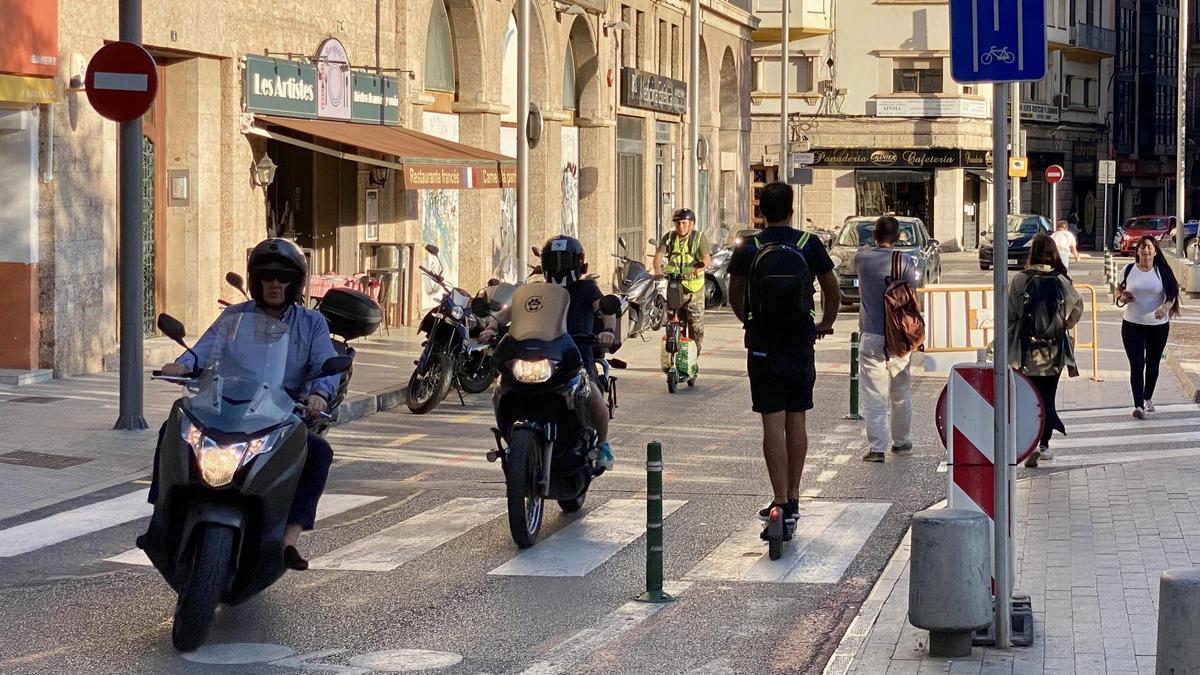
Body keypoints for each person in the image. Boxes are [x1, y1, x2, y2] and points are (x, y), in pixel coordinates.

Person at [148, 238, 340, 570]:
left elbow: (326, 363)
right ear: (256, 280)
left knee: (319, 452)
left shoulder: (312, 324)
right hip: (228, 410)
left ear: (295, 283)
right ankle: (161, 515)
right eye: (267, 276)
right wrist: (181, 364)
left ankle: (287, 541)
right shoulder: (234, 318)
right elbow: (205, 349)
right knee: (172, 428)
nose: (275, 284)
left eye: (283, 277)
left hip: (281, 415)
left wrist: (319, 394)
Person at [728, 182, 840, 531]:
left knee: (772, 423)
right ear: (792, 208)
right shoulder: (809, 244)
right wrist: (824, 323)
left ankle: (777, 498)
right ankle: (793, 497)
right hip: (800, 342)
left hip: (762, 344)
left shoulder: (749, 245)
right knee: (798, 419)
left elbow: (735, 295)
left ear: (760, 211)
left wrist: (751, 320)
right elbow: (832, 288)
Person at [484, 235, 618, 469]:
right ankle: (512, 439)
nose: (558, 267)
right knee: (501, 388)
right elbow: (512, 310)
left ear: (578, 263)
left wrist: (608, 329)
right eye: (553, 261)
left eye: (563, 261)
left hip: (576, 359)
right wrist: (492, 325)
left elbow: (605, 308)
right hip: (542, 355)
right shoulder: (538, 291)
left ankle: (603, 445)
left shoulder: (587, 289)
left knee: (593, 395)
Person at [1008, 233, 1083, 468]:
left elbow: (1011, 313)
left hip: (1027, 351)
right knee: (1048, 396)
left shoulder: (1020, 279)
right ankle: (1045, 445)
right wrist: (1063, 326)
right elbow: (1078, 307)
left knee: (1032, 399)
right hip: (1054, 351)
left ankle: (1031, 443)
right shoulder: (1061, 279)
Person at [854, 216, 919, 463]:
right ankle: (901, 442)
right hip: (899, 337)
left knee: (874, 394)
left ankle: (877, 448)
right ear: (899, 235)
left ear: (874, 234)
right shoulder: (905, 261)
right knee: (901, 391)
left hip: (871, 335)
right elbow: (912, 291)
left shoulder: (861, 258)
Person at [1116, 235, 1182, 419]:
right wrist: (1122, 297)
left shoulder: (1162, 271)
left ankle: (1147, 398)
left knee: (1153, 364)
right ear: (1137, 251)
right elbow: (1118, 290)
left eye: (1149, 248)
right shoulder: (1128, 270)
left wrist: (1165, 308)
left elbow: (1172, 294)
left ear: (1155, 251)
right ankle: (1138, 405)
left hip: (1158, 326)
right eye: (1142, 247)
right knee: (1137, 364)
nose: (1145, 251)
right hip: (1132, 324)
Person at [653, 208, 711, 351]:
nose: (680, 227)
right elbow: (659, 256)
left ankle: (693, 356)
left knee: (695, 326)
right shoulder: (669, 238)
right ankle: (672, 351)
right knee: (671, 321)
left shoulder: (699, 238)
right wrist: (657, 271)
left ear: (692, 224)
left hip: (693, 290)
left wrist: (696, 269)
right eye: (677, 223)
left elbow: (706, 259)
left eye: (684, 223)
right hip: (674, 286)